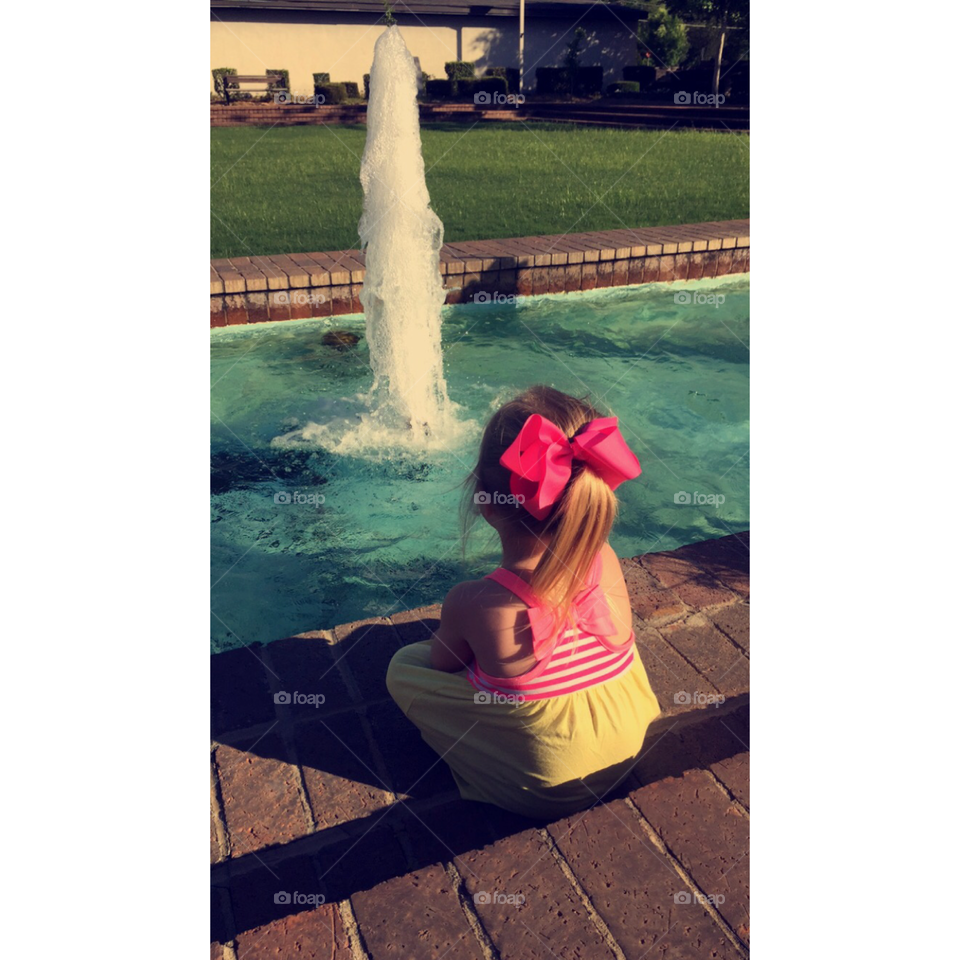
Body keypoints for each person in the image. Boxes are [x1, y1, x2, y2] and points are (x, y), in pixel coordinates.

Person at [386, 385, 660, 818]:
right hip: (630, 747)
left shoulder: (472, 601)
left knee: (403, 666)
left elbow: (442, 665)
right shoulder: (605, 558)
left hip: (543, 791)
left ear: (486, 504)